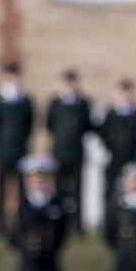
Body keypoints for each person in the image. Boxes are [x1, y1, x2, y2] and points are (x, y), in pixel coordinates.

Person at [0, 62, 33, 233]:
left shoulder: (26, 101)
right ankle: (0, 222)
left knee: (22, 187)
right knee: (0, 186)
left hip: (21, 150)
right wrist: (1, 142)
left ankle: (22, 220)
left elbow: (29, 124)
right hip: (3, 150)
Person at [46, 69, 92, 233]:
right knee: (59, 189)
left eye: (73, 82)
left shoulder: (84, 103)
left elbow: (87, 126)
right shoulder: (55, 103)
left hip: (77, 152)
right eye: (67, 82)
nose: (70, 85)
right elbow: (50, 125)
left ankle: (77, 225)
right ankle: (60, 223)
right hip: (59, 152)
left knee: (78, 189)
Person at [99, 80, 136, 202]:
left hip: (132, 156)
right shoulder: (111, 114)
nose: (126, 96)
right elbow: (103, 133)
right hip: (115, 157)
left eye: (128, 93)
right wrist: (110, 146)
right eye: (123, 93)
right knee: (112, 187)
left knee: (133, 184)